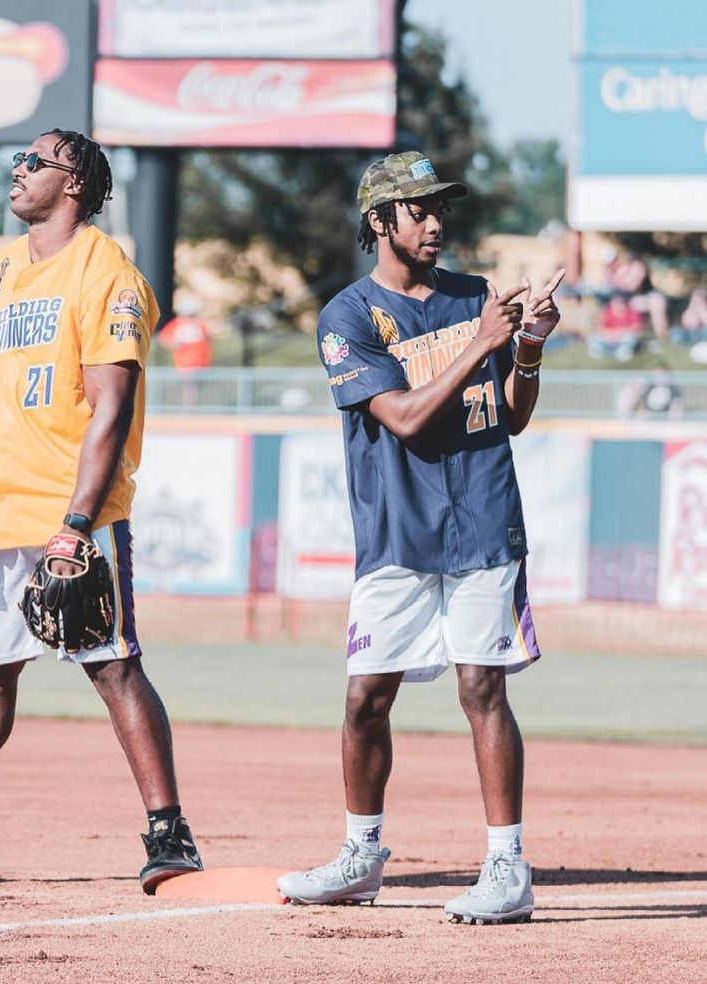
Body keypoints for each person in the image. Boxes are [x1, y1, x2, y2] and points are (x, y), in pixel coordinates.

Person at [0, 129, 203, 894]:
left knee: (114, 666)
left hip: (69, 512)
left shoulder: (107, 274)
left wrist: (76, 525)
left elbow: (109, 408)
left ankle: (169, 833)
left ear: (75, 183)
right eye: (17, 160)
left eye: (34, 162)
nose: (16, 171)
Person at [276, 151, 565, 924]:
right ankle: (361, 855)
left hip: (481, 518)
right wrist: (481, 341)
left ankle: (508, 865)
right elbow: (401, 418)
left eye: (441, 209)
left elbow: (510, 413)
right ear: (379, 223)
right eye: (418, 210)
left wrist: (528, 347)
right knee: (367, 697)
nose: (436, 222)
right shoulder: (347, 317)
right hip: (397, 532)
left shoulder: (476, 296)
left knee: (482, 688)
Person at [588, 294, 644, 362]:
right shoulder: (607, 312)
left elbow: (636, 327)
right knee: (593, 337)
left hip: (622, 338)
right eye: (615, 304)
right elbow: (599, 327)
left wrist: (619, 332)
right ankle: (602, 351)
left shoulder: (632, 312)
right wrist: (608, 333)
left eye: (620, 304)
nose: (618, 306)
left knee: (630, 337)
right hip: (609, 337)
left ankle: (622, 352)